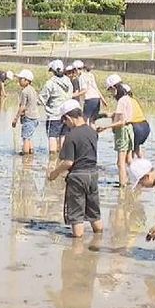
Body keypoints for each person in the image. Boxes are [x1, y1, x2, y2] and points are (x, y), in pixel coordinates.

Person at [47, 100, 102, 238]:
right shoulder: (92, 131)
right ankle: (97, 242)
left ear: (69, 118)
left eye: (64, 121)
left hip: (78, 177)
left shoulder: (71, 136)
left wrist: (54, 173)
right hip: (93, 174)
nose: (65, 124)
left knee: (76, 218)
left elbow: (68, 162)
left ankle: (76, 253)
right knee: (94, 214)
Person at [97, 76, 136, 187]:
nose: (110, 93)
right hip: (130, 130)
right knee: (129, 160)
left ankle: (122, 185)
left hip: (122, 131)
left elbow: (121, 122)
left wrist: (106, 127)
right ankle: (136, 179)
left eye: (110, 90)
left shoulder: (121, 101)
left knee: (120, 162)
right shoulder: (127, 98)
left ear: (115, 88)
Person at [38, 60, 73, 154]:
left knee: (52, 137)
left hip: (54, 115)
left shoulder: (50, 83)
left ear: (53, 71)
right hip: (66, 115)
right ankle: (62, 159)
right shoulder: (68, 81)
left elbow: (42, 99)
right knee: (63, 136)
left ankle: (52, 161)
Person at [12, 69, 41, 156]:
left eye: (21, 79)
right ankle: (31, 153)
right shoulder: (32, 89)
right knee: (29, 137)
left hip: (28, 117)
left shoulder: (24, 91)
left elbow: (22, 107)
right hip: (35, 117)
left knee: (25, 138)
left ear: (27, 81)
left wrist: (15, 119)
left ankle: (25, 157)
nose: (19, 81)